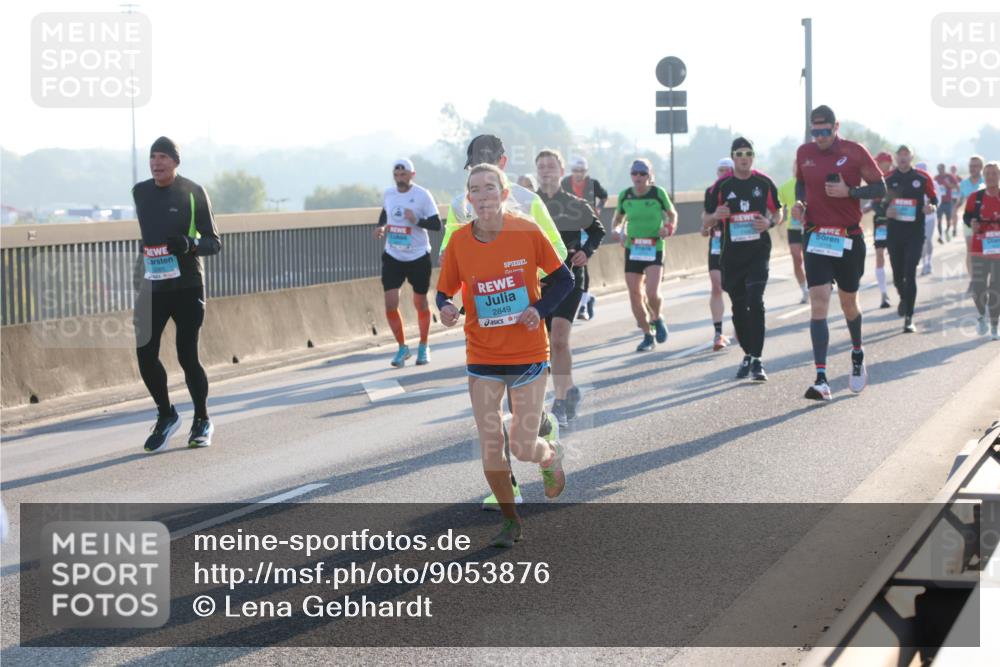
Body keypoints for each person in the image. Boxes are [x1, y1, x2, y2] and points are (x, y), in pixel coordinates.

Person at [436, 164, 573, 547]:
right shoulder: (460, 242)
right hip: (482, 354)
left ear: (504, 193)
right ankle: (511, 521)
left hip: (527, 353)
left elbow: (564, 279)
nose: (482, 196)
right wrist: (446, 307)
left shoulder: (526, 231)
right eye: (475, 190)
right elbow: (444, 292)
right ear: (469, 198)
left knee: (521, 446)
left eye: (489, 188)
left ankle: (549, 456)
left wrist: (539, 310)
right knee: (490, 440)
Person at [131, 136, 222, 452]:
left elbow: (214, 242)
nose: (156, 163)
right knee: (145, 353)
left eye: (162, 157)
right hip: (153, 286)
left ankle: (202, 419)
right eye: (152, 157)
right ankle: (166, 414)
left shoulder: (194, 192)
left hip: (187, 286)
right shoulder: (140, 192)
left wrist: (190, 244)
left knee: (187, 355)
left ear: (175, 162)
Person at [793, 105, 886, 401]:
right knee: (819, 301)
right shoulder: (804, 152)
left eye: (825, 131)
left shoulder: (854, 151)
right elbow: (801, 183)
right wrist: (800, 204)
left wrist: (851, 192)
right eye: (815, 131)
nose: (819, 137)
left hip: (848, 238)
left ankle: (857, 352)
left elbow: (881, 188)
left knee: (848, 304)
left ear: (836, 127)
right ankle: (821, 379)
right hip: (817, 236)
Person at [536, 149, 605, 427]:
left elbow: (598, 231)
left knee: (559, 339)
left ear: (561, 171)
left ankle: (560, 402)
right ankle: (570, 390)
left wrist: (586, 251)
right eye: (541, 166)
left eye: (551, 166)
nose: (546, 170)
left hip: (570, 279)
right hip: (540, 282)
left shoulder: (575, 204)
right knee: (543, 345)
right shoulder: (529, 205)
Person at [703, 138, 782, 381]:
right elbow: (705, 219)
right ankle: (748, 353)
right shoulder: (720, 186)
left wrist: (769, 222)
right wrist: (715, 215)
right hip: (731, 255)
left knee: (755, 301)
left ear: (753, 156)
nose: (744, 158)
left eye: (748, 153)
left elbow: (778, 212)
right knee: (739, 307)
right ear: (733, 157)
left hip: (758, 251)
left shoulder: (764, 182)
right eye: (739, 154)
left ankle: (757, 359)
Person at [374, 158, 441, 367]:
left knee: (420, 302)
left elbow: (436, 224)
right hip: (393, 254)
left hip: (418, 256)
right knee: (390, 303)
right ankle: (402, 348)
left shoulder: (423, 195)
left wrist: (417, 221)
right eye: (396, 175)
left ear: (412, 174)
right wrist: (381, 227)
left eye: (403, 175)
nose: (399, 178)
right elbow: (385, 212)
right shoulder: (389, 193)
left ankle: (423, 345)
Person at [609, 158, 677, 352]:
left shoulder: (658, 193)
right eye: (634, 173)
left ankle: (657, 317)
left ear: (649, 175)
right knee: (635, 294)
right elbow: (617, 219)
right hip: (633, 247)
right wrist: (616, 230)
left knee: (652, 293)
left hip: (654, 246)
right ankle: (648, 334)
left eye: (642, 173)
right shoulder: (625, 195)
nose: (638, 177)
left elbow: (672, 214)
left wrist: (668, 228)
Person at [884, 147, 938, 333]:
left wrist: (931, 207)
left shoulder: (922, 177)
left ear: (911, 157)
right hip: (894, 233)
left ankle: (909, 318)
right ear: (896, 158)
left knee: (910, 272)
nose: (903, 158)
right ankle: (904, 297)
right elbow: (879, 203)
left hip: (915, 232)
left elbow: (934, 199)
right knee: (897, 275)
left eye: (906, 155)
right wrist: (885, 210)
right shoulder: (888, 178)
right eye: (900, 155)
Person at [561, 156, 609, 321]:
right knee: (575, 263)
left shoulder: (593, 184)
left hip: (588, 225)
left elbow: (604, 196)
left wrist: (598, 208)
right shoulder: (565, 183)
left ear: (585, 171)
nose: (578, 174)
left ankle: (583, 304)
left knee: (583, 262)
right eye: (575, 171)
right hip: (572, 226)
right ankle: (586, 299)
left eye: (581, 171)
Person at [963, 161, 1000, 340]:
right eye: (988, 174)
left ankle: (994, 326)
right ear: (984, 177)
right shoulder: (975, 197)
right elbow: (966, 216)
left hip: (998, 251)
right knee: (978, 287)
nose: (991, 177)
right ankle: (981, 315)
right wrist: (972, 223)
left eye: (994, 173)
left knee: (996, 288)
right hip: (979, 248)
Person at [704, 158, 734, 349]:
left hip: (737, 244)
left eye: (726, 170)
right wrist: (708, 222)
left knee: (737, 288)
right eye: (720, 170)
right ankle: (718, 333)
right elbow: (705, 217)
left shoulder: (740, 188)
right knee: (716, 287)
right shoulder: (711, 191)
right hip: (716, 243)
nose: (723, 173)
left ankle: (740, 322)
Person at [863, 152, 894, 308]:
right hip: (880, 223)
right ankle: (883, 294)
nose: (877, 165)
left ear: (888, 163)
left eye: (880, 162)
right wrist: (868, 207)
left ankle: (902, 286)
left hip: (896, 224)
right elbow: (873, 199)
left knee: (896, 256)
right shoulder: (875, 179)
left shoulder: (895, 178)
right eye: (876, 162)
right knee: (880, 254)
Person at [778, 162, 810, 304]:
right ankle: (804, 290)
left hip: (810, 227)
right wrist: (777, 219)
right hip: (793, 228)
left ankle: (815, 285)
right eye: (796, 166)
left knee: (811, 260)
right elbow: (778, 207)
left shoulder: (810, 183)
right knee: (797, 259)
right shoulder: (785, 187)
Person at [958, 156, 987, 290]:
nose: (972, 168)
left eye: (975, 166)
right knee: (970, 250)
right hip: (970, 221)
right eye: (971, 166)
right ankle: (973, 279)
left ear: (981, 167)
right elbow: (960, 200)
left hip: (988, 222)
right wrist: (954, 210)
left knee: (988, 250)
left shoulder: (987, 180)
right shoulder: (964, 183)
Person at [934, 163, 960, 244]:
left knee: (948, 221)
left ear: (944, 169)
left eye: (941, 169)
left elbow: (957, 186)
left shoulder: (949, 176)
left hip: (948, 201)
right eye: (938, 169)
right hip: (939, 202)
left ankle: (947, 231)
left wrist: (948, 184)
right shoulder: (936, 178)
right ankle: (940, 236)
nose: (940, 170)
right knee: (939, 220)